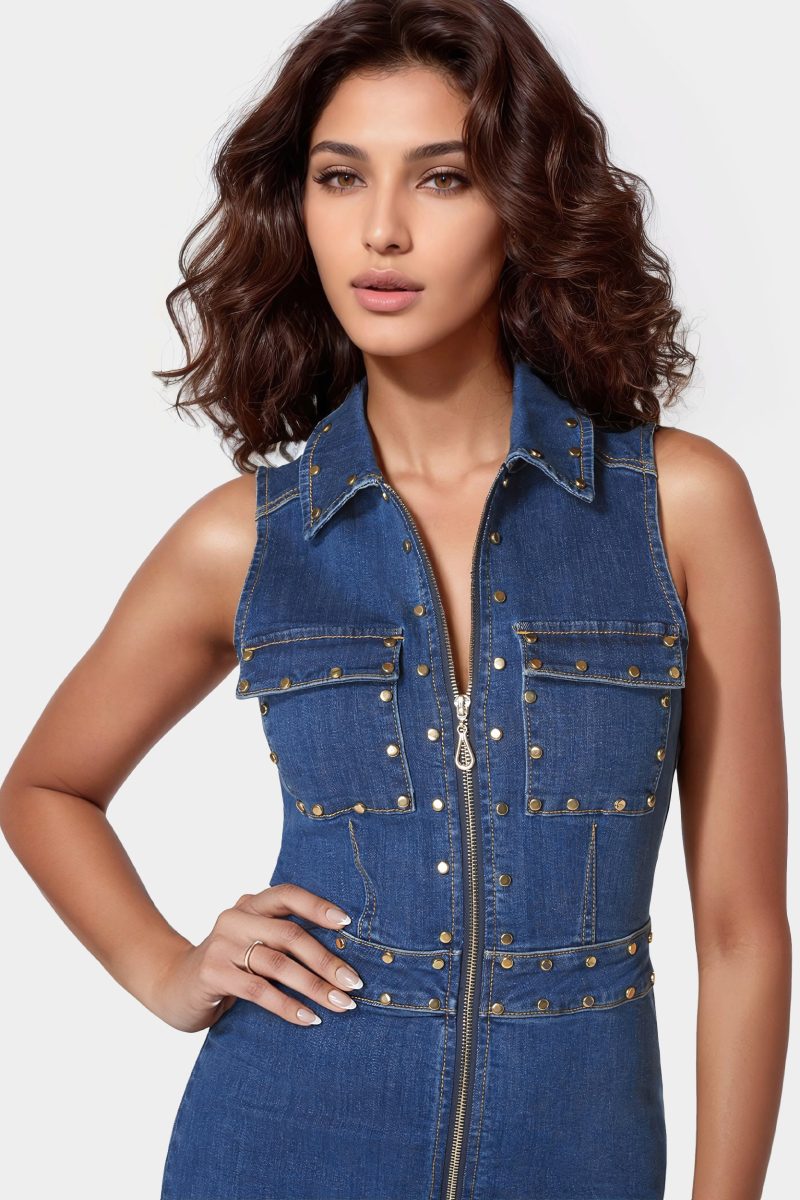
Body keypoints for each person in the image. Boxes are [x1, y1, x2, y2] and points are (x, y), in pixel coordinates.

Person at [0, 1, 790, 1198]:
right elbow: (46, 790)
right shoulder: (245, 537)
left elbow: (737, 934)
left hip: (576, 1159)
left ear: (520, 202)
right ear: (297, 208)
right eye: (338, 177)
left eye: (440, 177)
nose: (380, 228)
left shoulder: (674, 507)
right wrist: (168, 970)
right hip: (277, 1140)